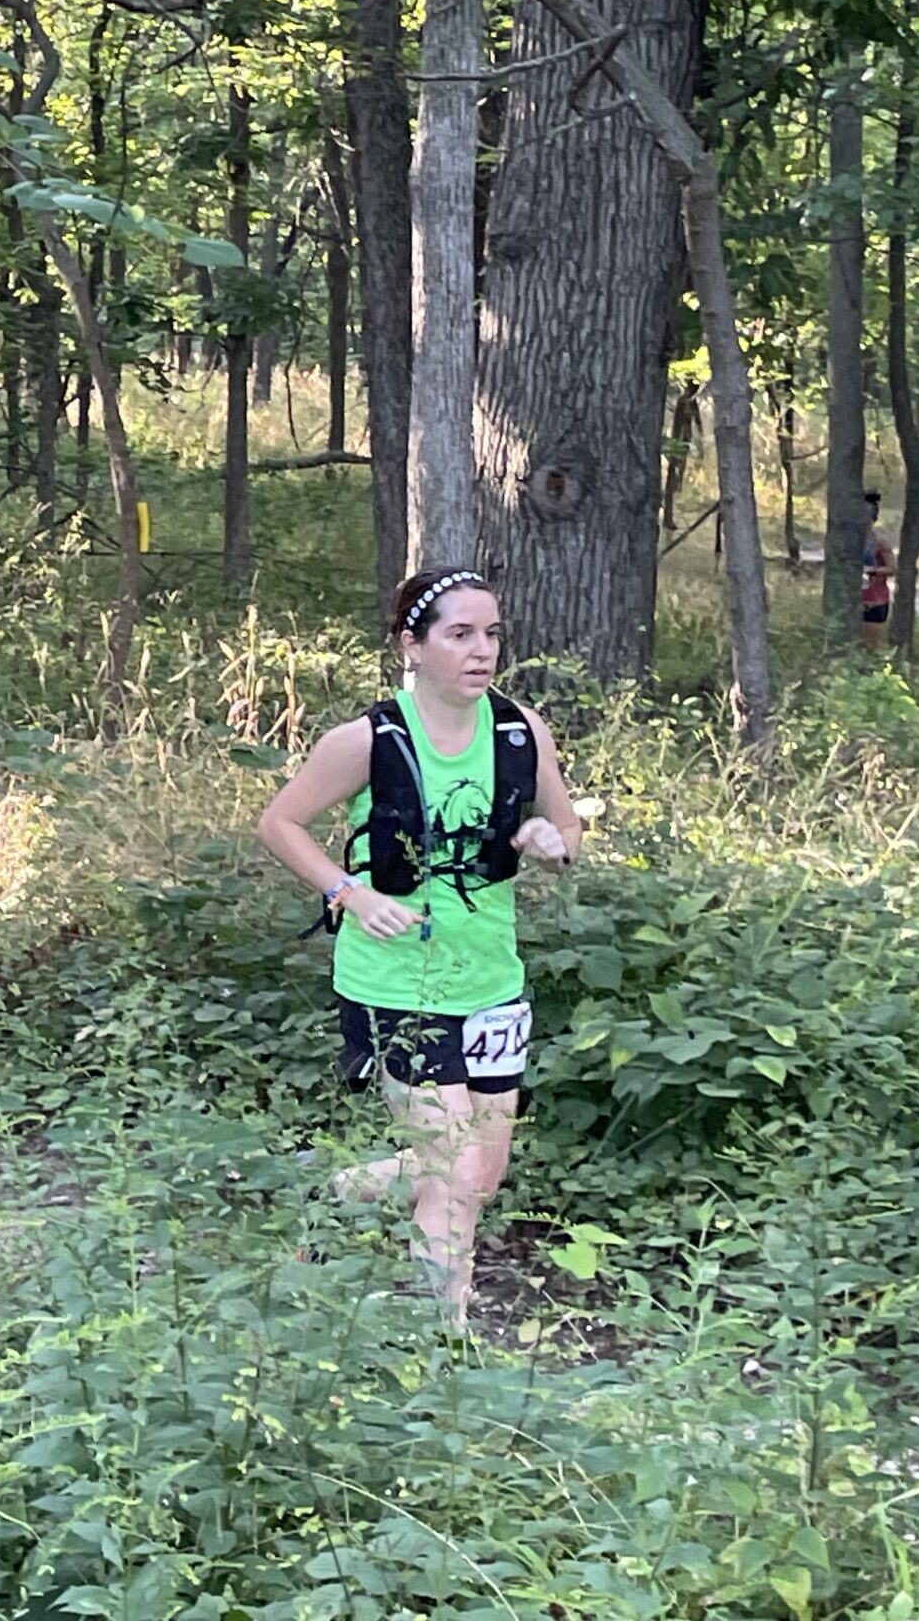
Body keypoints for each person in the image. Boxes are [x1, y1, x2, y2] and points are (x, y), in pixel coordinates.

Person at [255, 569, 582, 1332]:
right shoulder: (367, 741)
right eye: (460, 634)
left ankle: (340, 1190)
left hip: (491, 981)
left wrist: (550, 842)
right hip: (395, 982)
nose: (482, 651)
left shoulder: (521, 730)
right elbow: (279, 823)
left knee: (482, 1172)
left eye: (492, 634)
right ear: (413, 645)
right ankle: (446, 1342)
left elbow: (567, 829)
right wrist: (351, 894)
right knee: (449, 1163)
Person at [861, 490, 895, 650]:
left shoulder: (880, 542)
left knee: (870, 645)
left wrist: (871, 570)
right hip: (853, 598)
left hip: (875, 599)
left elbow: (892, 569)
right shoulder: (848, 541)